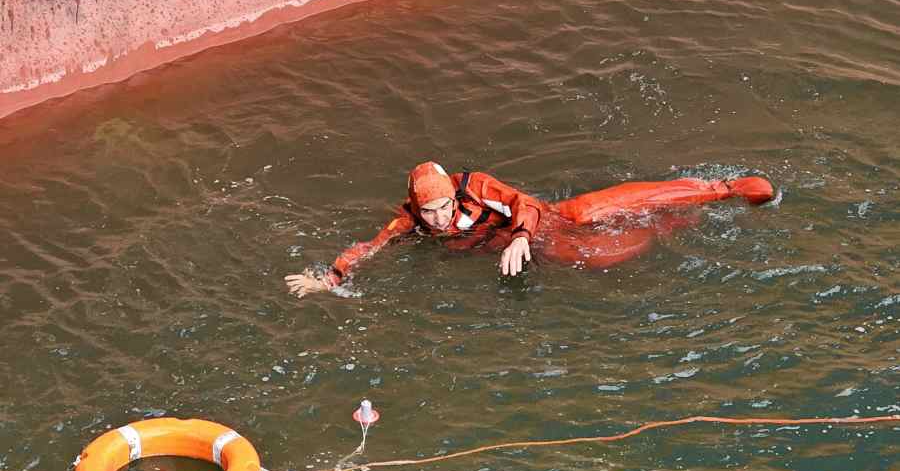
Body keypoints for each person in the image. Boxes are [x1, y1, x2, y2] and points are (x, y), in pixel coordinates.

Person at [285, 161, 774, 297]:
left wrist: (521, 235)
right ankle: (672, 225)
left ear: (452, 197)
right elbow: (369, 248)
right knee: (603, 255)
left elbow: (521, 203)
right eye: (426, 211)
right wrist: (330, 276)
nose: (435, 218)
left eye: (441, 208)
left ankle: (718, 189)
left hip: (537, 221)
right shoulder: (409, 223)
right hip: (515, 243)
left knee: (597, 211)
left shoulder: (476, 186)